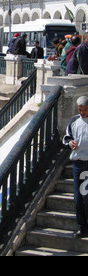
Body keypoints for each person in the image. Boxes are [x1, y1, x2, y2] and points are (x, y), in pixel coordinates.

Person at [63, 96, 88, 238]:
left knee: (86, 197)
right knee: (78, 198)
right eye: (80, 110)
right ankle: (81, 226)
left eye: (85, 110)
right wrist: (70, 143)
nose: (82, 112)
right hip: (78, 164)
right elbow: (66, 138)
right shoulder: (74, 121)